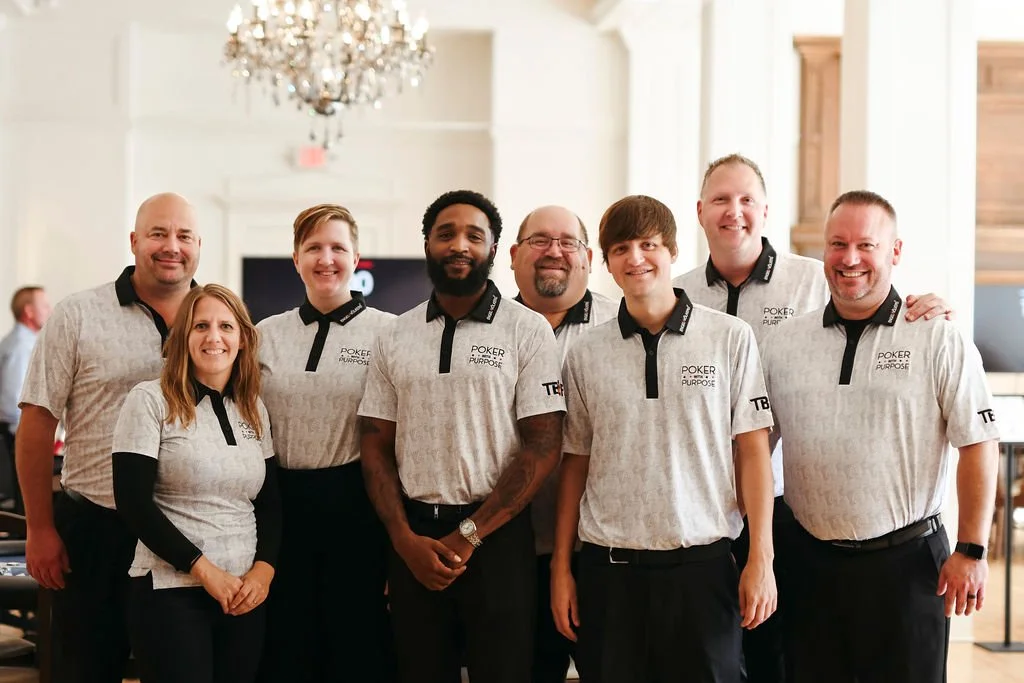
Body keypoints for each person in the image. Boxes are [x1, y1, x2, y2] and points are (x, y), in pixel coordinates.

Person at [672, 154, 953, 683]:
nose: (734, 212)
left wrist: (932, 306)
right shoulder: (677, 293)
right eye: (720, 200)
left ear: (765, 210)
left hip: (788, 513)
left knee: (779, 659)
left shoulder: (813, 279)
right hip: (706, 510)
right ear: (700, 211)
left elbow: (870, 293)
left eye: (747, 200)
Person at [758, 190, 999, 683]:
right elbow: (756, 448)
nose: (849, 259)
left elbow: (977, 442)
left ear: (895, 251)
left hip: (908, 568)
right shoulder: (784, 342)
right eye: (837, 244)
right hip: (809, 563)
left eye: (866, 245)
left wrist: (972, 549)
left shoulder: (934, 335)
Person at [552, 194, 777, 683]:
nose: (636, 258)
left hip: (703, 570)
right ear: (605, 263)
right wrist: (561, 568)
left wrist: (762, 557)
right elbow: (575, 463)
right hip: (609, 575)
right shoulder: (586, 354)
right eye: (621, 248)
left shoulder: (730, 338)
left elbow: (753, 450)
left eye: (648, 244)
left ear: (672, 250)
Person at [358, 190, 566, 683]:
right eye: (446, 233)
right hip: (414, 540)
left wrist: (470, 534)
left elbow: (543, 446)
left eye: (475, 235)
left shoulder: (527, 330)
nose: (460, 245)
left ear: (494, 249)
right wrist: (403, 540)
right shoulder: (395, 334)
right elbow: (374, 444)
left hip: (497, 542)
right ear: (427, 243)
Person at [17, 192, 200, 683]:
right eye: (158, 234)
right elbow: (36, 423)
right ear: (135, 240)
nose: (171, 246)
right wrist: (39, 527)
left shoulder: (217, 320)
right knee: (86, 669)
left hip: (188, 532)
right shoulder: (78, 315)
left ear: (198, 244)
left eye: (183, 235)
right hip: (97, 528)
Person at [111, 284, 279, 683]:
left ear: (242, 340)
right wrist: (205, 572)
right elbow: (133, 504)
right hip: (170, 592)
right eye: (200, 325)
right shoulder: (149, 400)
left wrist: (263, 572)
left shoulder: (253, 406)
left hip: (243, 594)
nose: (214, 337)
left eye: (226, 326)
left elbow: (270, 501)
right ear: (183, 337)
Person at [256, 204, 396, 683]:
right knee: (287, 645)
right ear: (295, 259)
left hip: (356, 505)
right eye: (314, 247)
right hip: (279, 506)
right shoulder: (263, 335)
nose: (326, 258)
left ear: (356, 257)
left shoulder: (389, 333)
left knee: (355, 644)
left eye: (338, 247)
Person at [509, 205, 617, 683]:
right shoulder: (488, 328)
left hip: (602, 552)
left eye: (568, 242)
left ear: (589, 258)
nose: (554, 251)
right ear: (513, 255)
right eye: (539, 240)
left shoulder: (621, 327)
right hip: (509, 548)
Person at [0, 286, 51, 511]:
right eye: (45, 306)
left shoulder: (23, 341)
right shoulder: (22, 346)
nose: (50, 310)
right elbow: (12, 401)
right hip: (19, 435)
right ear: (29, 312)